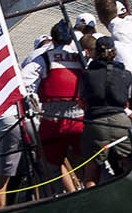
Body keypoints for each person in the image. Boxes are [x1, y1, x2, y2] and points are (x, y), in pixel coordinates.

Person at [19, 20, 86, 194]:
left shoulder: (44, 59)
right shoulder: (81, 59)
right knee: (91, 158)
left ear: (54, 40)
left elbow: (24, 83)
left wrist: (34, 105)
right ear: (70, 39)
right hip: (79, 118)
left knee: (50, 165)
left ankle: (58, 196)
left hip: (52, 121)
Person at [76, 34, 132, 187]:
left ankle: (92, 203)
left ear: (96, 52)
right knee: (130, 164)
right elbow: (125, 101)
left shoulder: (86, 75)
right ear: (114, 52)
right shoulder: (125, 74)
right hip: (121, 122)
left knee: (92, 171)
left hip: (95, 124)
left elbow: (81, 101)